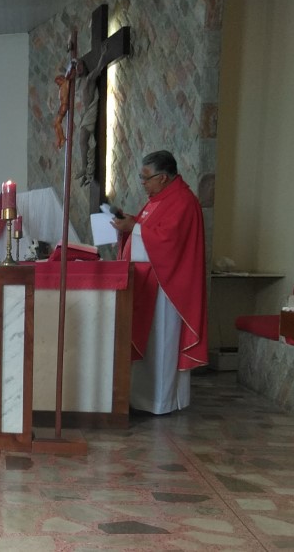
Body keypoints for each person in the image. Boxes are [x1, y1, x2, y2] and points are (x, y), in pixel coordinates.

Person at [111, 150, 208, 414]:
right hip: (149, 283)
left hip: (168, 288)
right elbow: (148, 231)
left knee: (163, 343)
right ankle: (142, 397)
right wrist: (128, 226)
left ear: (163, 177)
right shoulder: (157, 200)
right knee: (149, 342)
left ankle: (162, 402)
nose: (143, 183)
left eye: (146, 178)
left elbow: (169, 242)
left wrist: (134, 229)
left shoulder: (183, 201)